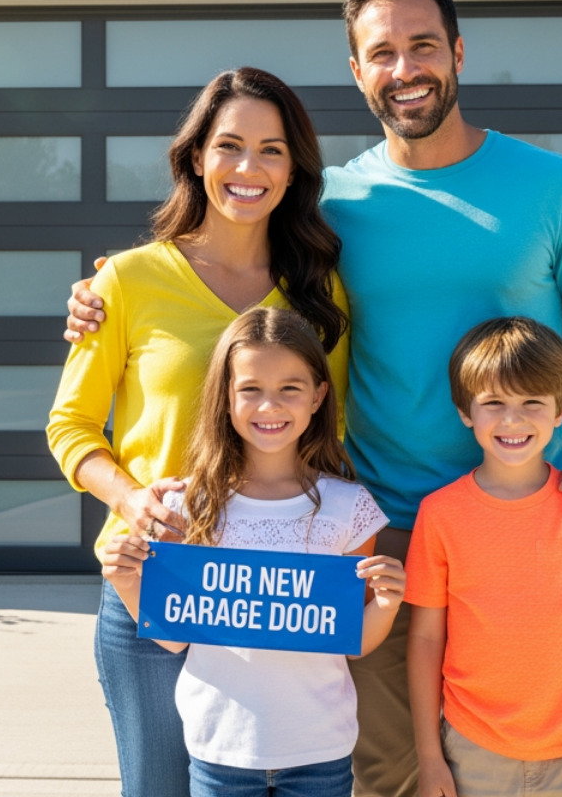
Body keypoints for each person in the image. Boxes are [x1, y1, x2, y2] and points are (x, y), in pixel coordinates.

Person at [66, 0, 562, 797]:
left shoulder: (550, 187)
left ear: (457, 52)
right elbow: (225, 247)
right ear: (357, 71)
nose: (405, 67)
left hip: (519, 532)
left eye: (422, 45)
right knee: (386, 774)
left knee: (525, 761)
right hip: (373, 533)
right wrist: (104, 291)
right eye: (382, 51)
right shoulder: (330, 207)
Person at [46, 67, 350, 797]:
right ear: (196, 158)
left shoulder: (320, 291)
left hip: (275, 594)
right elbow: (72, 426)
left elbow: (328, 438)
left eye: (272, 150)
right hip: (155, 582)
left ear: (295, 167)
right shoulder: (125, 281)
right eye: (230, 146)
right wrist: (130, 500)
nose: (249, 168)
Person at [99, 307, 407, 797]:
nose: (270, 406)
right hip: (220, 747)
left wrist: (386, 606)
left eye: (290, 388)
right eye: (250, 390)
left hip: (320, 751)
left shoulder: (349, 508)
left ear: (318, 396)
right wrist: (126, 581)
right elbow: (175, 636)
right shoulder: (186, 504)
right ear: (225, 397)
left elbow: (349, 639)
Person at [405, 317, 562, 797]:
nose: (513, 420)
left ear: (561, 411)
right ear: (465, 411)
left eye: (532, 402)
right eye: (493, 403)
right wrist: (429, 758)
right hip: (473, 749)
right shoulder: (440, 515)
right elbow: (426, 639)